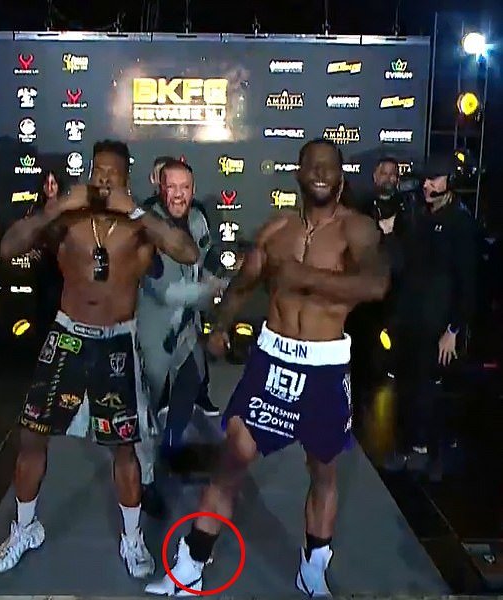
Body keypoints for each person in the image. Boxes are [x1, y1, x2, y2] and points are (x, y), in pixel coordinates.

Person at [145, 138, 390, 597]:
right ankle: (191, 565)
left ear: (340, 178)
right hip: (273, 360)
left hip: (324, 367)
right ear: (298, 174)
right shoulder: (276, 229)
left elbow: (376, 284)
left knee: (323, 472)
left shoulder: (357, 229)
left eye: (329, 166)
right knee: (231, 461)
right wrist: (221, 325)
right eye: (312, 166)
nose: (320, 173)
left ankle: (312, 569)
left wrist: (305, 276)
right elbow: (243, 285)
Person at [0, 140, 199, 577]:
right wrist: (57, 206)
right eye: (97, 171)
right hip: (67, 335)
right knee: (32, 437)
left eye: (112, 174)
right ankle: (25, 528)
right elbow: (8, 248)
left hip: (116, 340)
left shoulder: (140, 225)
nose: (103, 180)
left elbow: (188, 251)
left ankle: (132, 539)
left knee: (124, 447)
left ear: (126, 180)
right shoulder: (68, 220)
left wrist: (135, 211)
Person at [135, 160, 227, 518]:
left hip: (187, 328)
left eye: (184, 187)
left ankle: (171, 446)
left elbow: (205, 261)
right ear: (160, 187)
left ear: (193, 189)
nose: (178, 194)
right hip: (153, 331)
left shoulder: (199, 219)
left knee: (191, 381)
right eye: (171, 187)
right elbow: (166, 292)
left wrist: (216, 278)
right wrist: (216, 290)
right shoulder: (148, 226)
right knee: (145, 409)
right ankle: (145, 481)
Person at [383, 154, 478, 482]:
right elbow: (404, 265)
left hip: (438, 325)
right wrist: (390, 234)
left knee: (429, 390)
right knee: (405, 385)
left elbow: (468, 282)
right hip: (410, 319)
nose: (427, 185)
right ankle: (405, 446)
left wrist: (453, 329)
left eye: (434, 179)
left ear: (450, 182)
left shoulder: (460, 224)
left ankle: (427, 451)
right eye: (425, 179)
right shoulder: (418, 218)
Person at [26, 170, 66, 345]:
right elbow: (25, 235)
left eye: (53, 183)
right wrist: (30, 249)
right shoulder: (36, 210)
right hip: (42, 269)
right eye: (46, 183)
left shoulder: (66, 210)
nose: (50, 187)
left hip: (63, 269)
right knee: (43, 312)